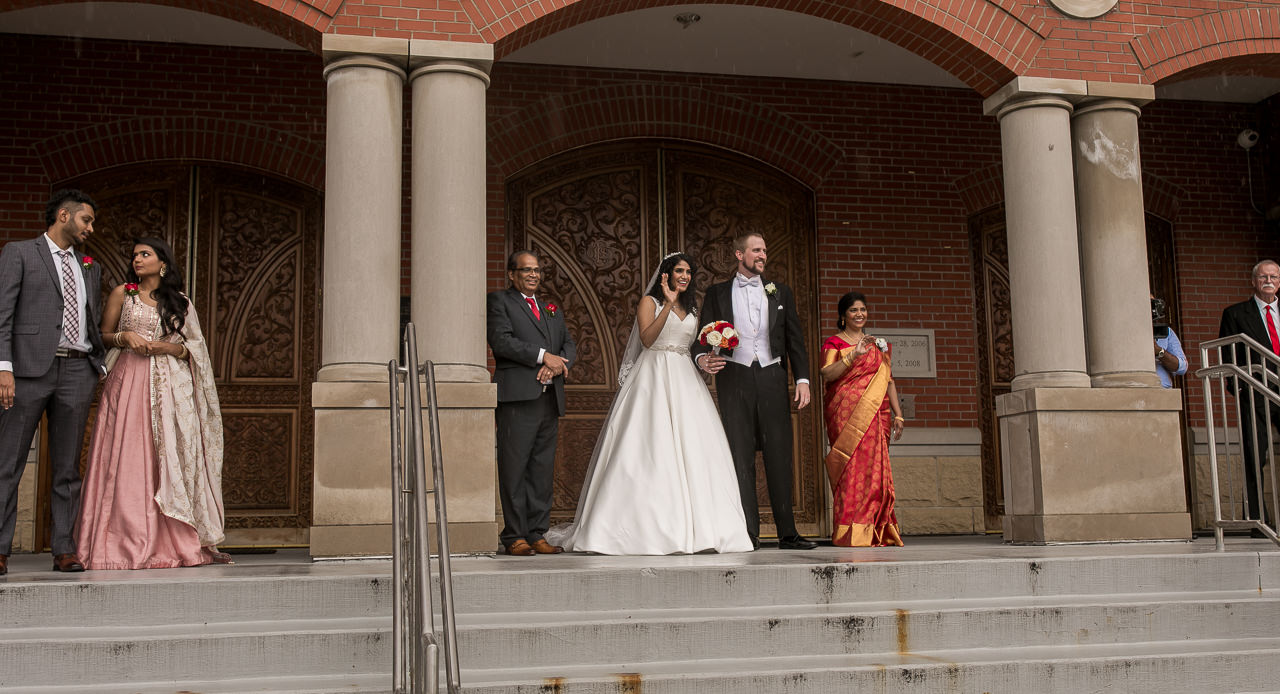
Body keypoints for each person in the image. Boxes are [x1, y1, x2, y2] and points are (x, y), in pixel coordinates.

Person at [548, 253, 753, 555]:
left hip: (685, 377)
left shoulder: (693, 307)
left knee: (695, 449)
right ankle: (639, 527)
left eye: (688, 272)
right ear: (665, 275)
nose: (684, 276)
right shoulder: (650, 303)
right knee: (649, 445)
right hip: (653, 375)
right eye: (678, 271)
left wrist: (706, 357)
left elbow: (691, 343)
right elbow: (647, 339)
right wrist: (667, 303)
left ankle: (702, 528)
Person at [75, 238, 227, 569]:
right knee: (127, 456)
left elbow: (194, 349)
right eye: (134, 255)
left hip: (168, 390)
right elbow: (100, 336)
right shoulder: (123, 294)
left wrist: (167, 348)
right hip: (128, 382)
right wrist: (123, 338)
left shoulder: (181, 303)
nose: (137, 260)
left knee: (164, 458)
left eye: (145, 254)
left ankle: (168, 541)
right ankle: (117, 542)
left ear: (163, 264)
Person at [0, 190, 106, 575]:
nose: (90, 229)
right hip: (27, 372)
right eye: (86, 220)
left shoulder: (89, 265)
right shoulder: (20, 252)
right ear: (64, 215)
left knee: (67, 468)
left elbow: (92, 320)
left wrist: (98, 364)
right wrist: (3, 367)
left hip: (77, 372)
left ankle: (64, 549)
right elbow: (3, 314)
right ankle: (0, 549)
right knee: (8, 463)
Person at [694, 233, 817, 550]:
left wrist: (801, 379)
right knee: (740, 455)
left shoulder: (780, 293)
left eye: (765, 250)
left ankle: (788, 533)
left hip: (772, 376)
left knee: (779, 453)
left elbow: (795, 340)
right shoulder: (717, 293)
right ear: (739, 254)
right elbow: (701, 337)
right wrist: (702, 359)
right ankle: (748, 534)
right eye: (756, 250)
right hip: (733, 377)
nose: (762, 255)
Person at [487, 250, 577, 556]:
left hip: (548, 397)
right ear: (512, 274)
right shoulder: (500, 301)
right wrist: (542, 356)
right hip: (517, 397)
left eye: (537, 270)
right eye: (526, 270)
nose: (533, 275)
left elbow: (568, 343)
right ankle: (514, 536)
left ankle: (537, 533)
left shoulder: (549, 306)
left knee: (541, 469)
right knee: (514, 468)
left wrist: (556, 364)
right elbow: (502, 341)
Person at [818, 291, 904, 547]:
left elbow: (888, 380)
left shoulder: (879, 344)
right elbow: (827, 374)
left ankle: (877, 528)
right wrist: (852, 355)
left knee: (875, 471)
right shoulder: (834, 343)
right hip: (845, 415)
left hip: (877, 416)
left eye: (863, 310)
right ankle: (850, 531)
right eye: (854, 310)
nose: (859, 314)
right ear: (843, 316)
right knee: (851, 469)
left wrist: (899, 414)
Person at [1218, 259, 1280, 525]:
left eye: (1274, 277)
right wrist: (1241, 388)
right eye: (1263, 276)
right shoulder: (1235, 313)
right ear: (1254, 281)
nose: (1269, 281)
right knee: (1256, 455)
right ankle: (1258, 520)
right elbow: (1227, 356)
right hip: (1256, 392)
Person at [1151, 295, 1187, 389]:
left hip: (1163, 390)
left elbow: (1182, 367)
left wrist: (1159, 352)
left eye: (1153, 303)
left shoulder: (1166, 332)